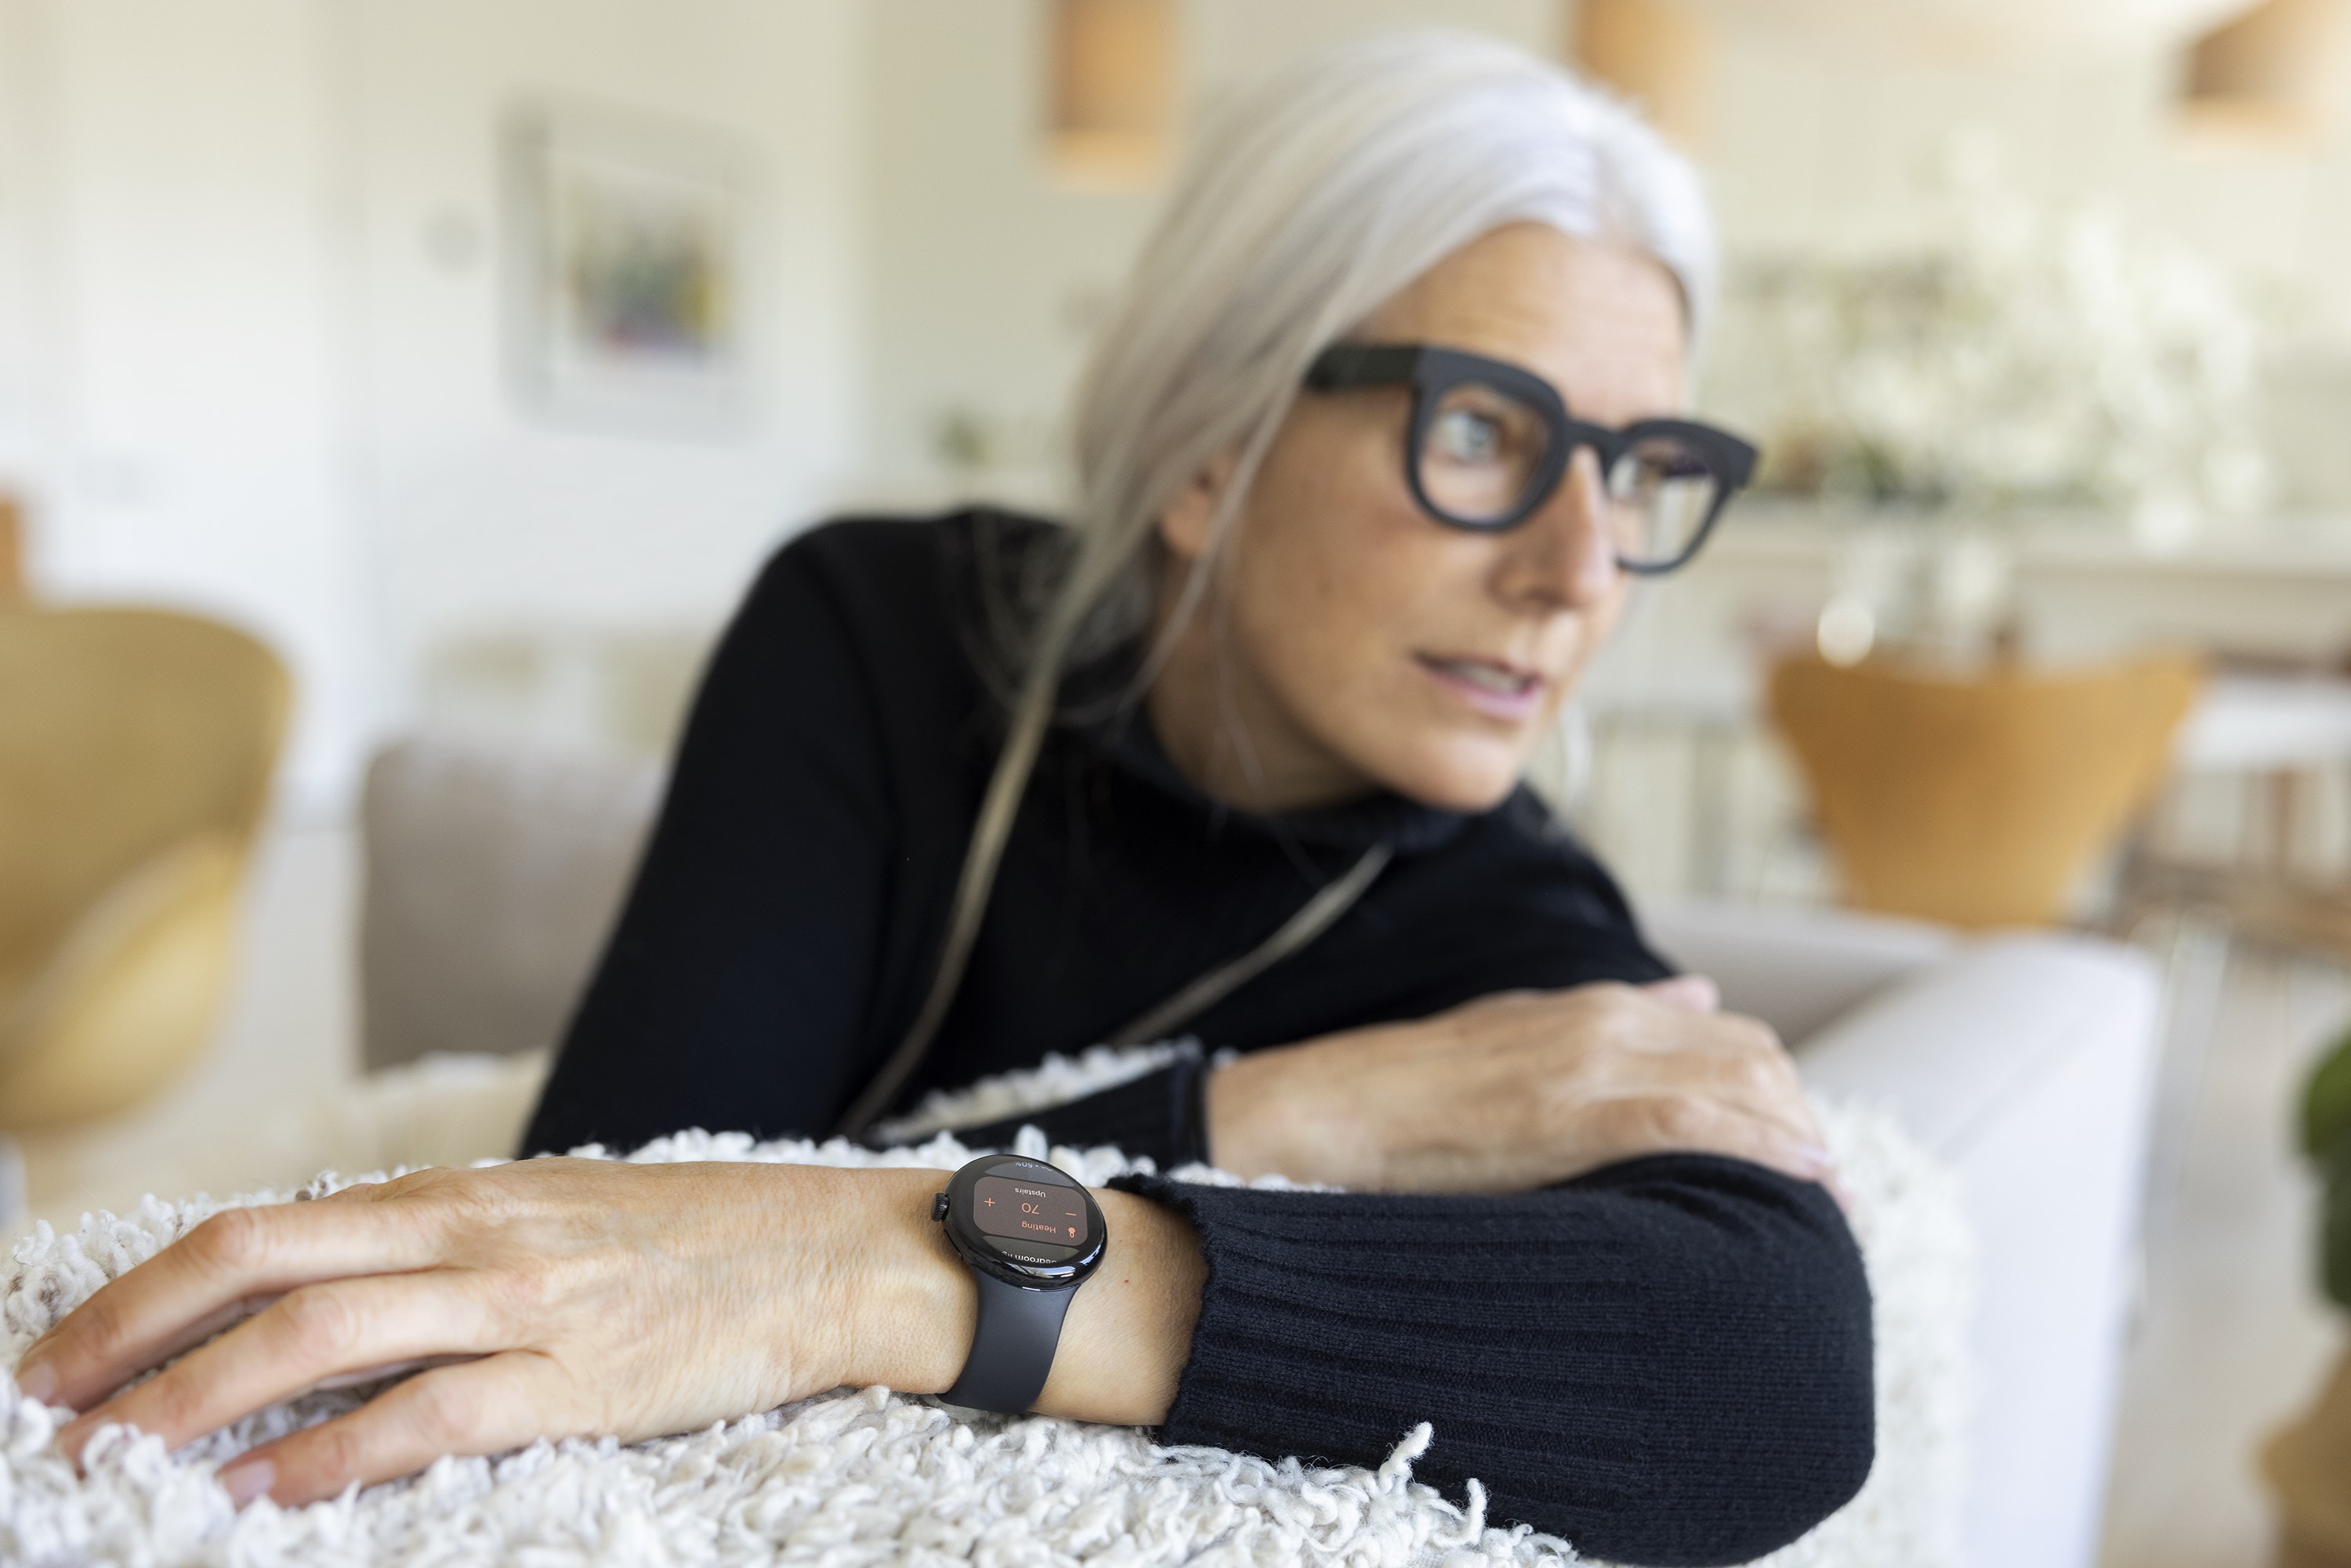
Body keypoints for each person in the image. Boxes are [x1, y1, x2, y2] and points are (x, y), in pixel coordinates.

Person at [16, 34, 1872, 1568]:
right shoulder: (886, 630)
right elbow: (617, 1189)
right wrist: (1282, 1113)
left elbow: (1779, 1369)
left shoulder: (1520, 926)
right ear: (1210, 449)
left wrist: (880, 1271)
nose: (1582, 572)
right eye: (1483, 432)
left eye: (1641, 471)